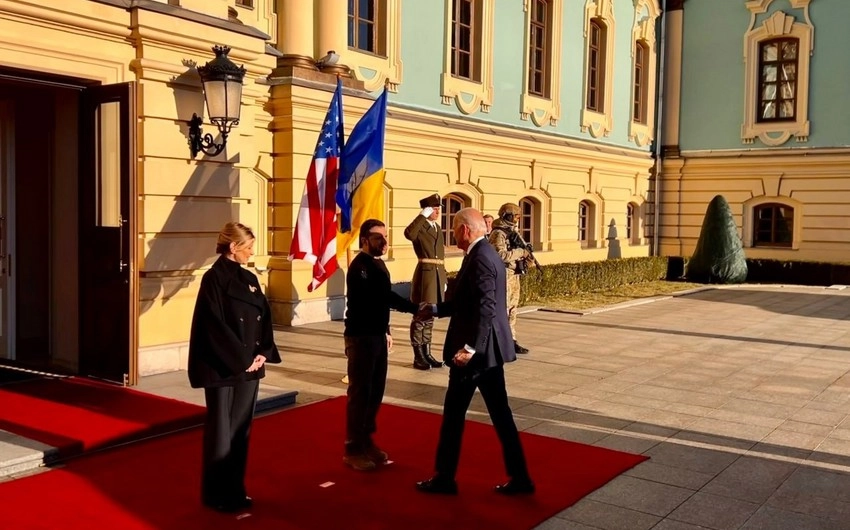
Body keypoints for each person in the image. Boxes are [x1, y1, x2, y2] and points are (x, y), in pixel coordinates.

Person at [415, 208, 534, 496]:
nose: (452, 234)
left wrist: (470, 348)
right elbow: (467, 302)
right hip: (486, 351)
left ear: (466, 230)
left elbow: (486, 308)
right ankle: (520, 479)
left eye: (454, 229)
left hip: (477, 353)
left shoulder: (481, 257)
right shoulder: (483, 253)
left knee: (455, 413)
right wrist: (435, 309)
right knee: (499, 415)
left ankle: (445, 478)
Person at [188, 222, 281, 513]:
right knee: (221, 432)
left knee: (241, 430)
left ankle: (236, 489)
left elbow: (264, 315)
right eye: (248, 248)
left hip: (251, 366)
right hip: (224, 367)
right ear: (233, 247)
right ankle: (217, 494)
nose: (252, 253)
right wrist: (243, 359)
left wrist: (263, 351)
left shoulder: (249, 277)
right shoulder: (213, 279)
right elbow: (213, 326)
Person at [344, 219, 420, 471]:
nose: (385, 242)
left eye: (386, 237)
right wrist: (414, 309)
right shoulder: (359, 267)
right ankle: (353, 448)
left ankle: (367, 441)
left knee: (375, 392)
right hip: (360, 336)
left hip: (376, 335)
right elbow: (379, 297)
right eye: (379, 238)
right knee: (360, 393)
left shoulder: (378, 264)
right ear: (365, 240)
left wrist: (386, 330)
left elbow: (381, 303)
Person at [403, 193, 447, 370]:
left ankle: (427, 352)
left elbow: (441, 256)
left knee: (431, 316)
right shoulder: (420, 227)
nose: (437, 212)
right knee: (421, 315)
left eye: (438, 209)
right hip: (425, 276)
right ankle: (418, 355)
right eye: (434, 209)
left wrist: (443, 278)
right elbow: (409, 234)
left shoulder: (436, 228)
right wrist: (422, 215)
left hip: (437, 275)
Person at [489, 203, 531, 354]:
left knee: (513, 309)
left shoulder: (512, 231)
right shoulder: (498, 233)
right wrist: (520, 252)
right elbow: (499, 255)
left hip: (514, 274)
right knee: (503, 309)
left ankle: (511, 340)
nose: (518, 219)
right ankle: (499, 341)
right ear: (507, 215)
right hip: (504, 275)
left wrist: (527, 257)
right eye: (515, 216)